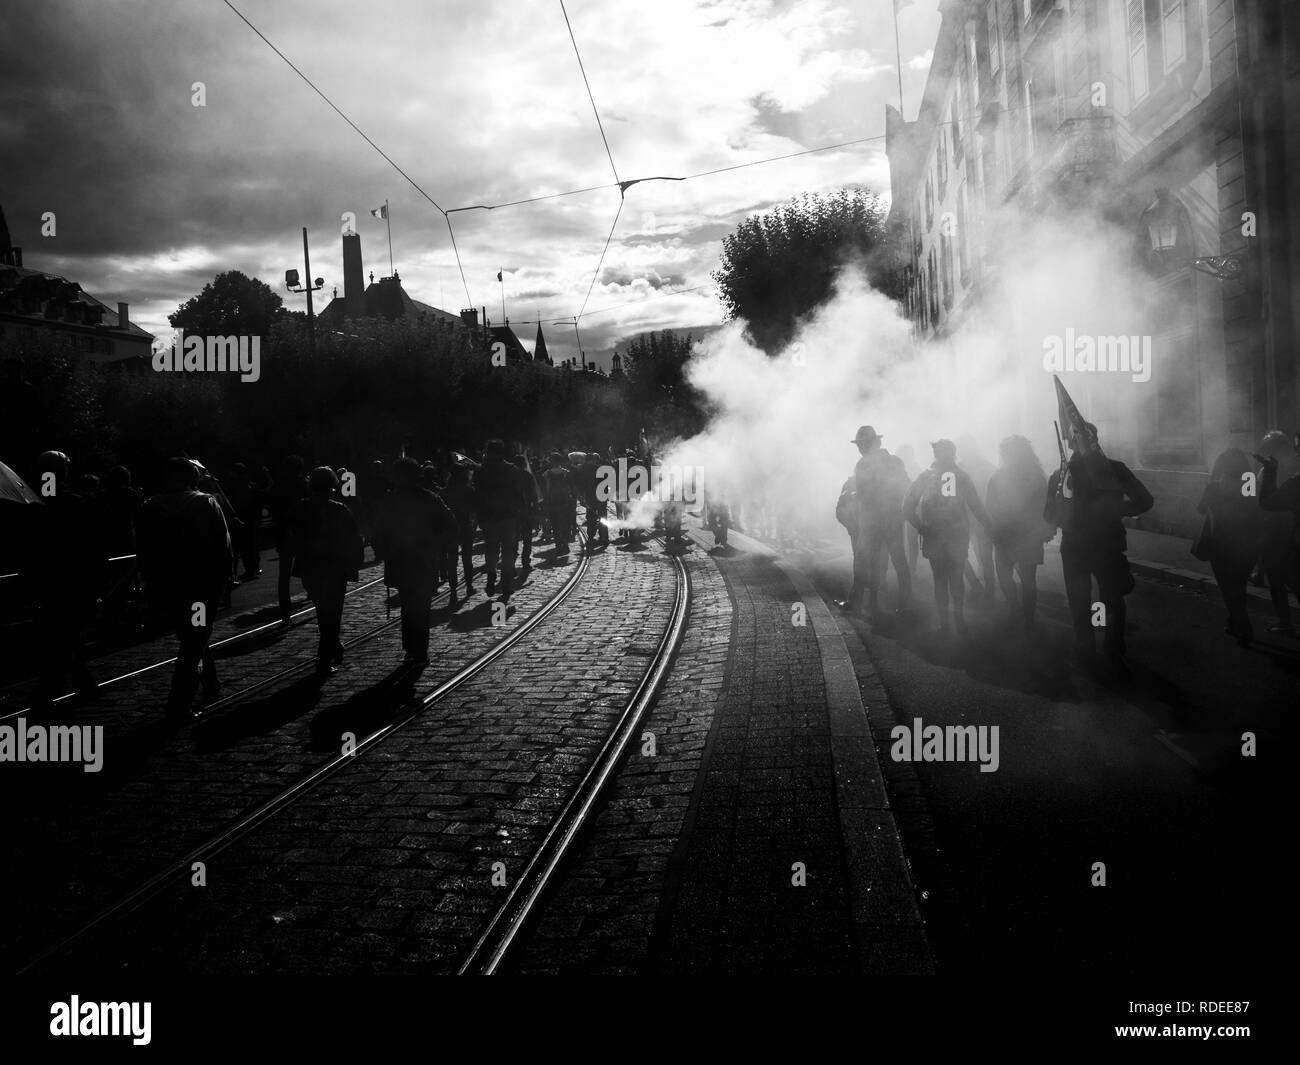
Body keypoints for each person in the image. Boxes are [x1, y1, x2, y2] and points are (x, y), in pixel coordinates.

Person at [1044, 420, 1153, 674]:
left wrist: (1066, 516)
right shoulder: (1114, 469)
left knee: (1081, 599)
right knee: (1109, 599)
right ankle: (1111, 646)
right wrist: (1119, 511)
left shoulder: (1060, 474)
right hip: (1107, 543)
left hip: (1076, 547)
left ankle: (1087, 647)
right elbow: (1145, 500)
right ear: (1095, 441)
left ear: (1071, 443)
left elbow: (1049, 515)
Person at [137, 456, 232, 719]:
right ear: (193, 477)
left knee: (192, 634)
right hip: (202, 586)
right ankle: (178, 703)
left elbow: (143, 550)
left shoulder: (149, 506)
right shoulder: (206, 502)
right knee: (194, 639)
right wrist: (226, 579)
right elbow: (223, 545)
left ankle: (211, 683)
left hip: (168, 586)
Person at [22, 450, 103, 710]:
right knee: (66, 635)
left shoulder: (34, 507)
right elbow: (92, 548)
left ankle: (78, 685)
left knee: (60, 634)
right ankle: (52, 692)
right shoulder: (76, 504)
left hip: (47, 582)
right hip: (72, 582)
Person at [903, 439, 990, 635]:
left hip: (935, 536)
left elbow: (906, 507)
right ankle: (958, 621)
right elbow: (976, 507)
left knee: (940, 580)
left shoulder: (926, 477)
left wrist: (921, 527)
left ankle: (945, 624)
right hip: (956, 536)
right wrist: (990, 526)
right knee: (955, 579)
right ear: (953, 454)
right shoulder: (960, 476)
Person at [373, 457, 450, 663]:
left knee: (410, 606)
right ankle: (418, 649)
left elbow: (377, 532)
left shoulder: (391, 500)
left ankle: (412, 648)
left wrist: (383, 550)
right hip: (420, 561)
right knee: (419, 606)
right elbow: (450, 525)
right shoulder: (429, 498)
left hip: (404, 561)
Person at [294, 467, 364, 676]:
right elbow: (354, 537)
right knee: (332, 614)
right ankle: (325, 658)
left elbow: (293, 534)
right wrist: (354, 563)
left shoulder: (302, 507)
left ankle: (332, 647)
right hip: (334, 568)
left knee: (323, 611)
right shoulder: (339, 509)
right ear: (333, 485)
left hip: (311, 567)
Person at [841, 425, 912, 617]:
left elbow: (862, 495)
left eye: (861, 444)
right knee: (898, 562)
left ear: (869, 444)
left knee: (863, 561)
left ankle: (856, 602)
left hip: (872, 521)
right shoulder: (895, 462)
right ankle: (905, 605)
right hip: (892, 519)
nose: (859, 448)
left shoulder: (863, 465)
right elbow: (907, 488)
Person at [1196, 448, 1263, 647]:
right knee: (1239, 586)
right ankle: (1234, 622)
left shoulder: (1215, 486)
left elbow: (1200, 509)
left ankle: (1243, 627)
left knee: (1228, 588)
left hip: (1221, 544)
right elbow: (1254, 508)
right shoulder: (1249, 482)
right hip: (1246, 543)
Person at [986, 435, 1053, 627]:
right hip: (1008, 534)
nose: (1004, 455)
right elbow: (990, 506)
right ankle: (1017, 610)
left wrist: (1044, 529)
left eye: (1006, 452)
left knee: (1025, 579)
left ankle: (1025, 615)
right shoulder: (1000, 476)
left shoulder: (1035, 477)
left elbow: (1045, 506)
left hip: (1025, 535)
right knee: (1010, 576)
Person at [1254, 430, 1300, 636]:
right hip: (1289, 528)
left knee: (1278, 576)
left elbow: (1259, 499)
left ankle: (1284, 620)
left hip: (1275, 525)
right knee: (1291, 575)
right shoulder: (1294, 467)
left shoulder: (1267, 470)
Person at [475, 441, 533, 602]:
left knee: (491, 548)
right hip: (508, 516)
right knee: (508, 550)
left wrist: (478, 517)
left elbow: (477, 495)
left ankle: (492, 571)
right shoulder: (512, 470)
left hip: (488, 517)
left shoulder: (480, 470)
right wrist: (522, 513)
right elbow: (519, 493)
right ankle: (506, 583)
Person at [268, 455, 308, 625]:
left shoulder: (278, 485)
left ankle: (285, 612)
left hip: (284, 532)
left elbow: (273, 508)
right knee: (309, 565)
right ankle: (314, 596)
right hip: (302, 532)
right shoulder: (304, 484)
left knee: (283, 576)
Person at [957, 435, 996, 602]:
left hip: (981, 515)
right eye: (962, 448)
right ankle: (976, 585)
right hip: (963, 517)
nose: (965, 451)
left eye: (967, 447)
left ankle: (989, 588)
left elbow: (995, 490)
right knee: (960, 554)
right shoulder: (957, 468)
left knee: (985, 555)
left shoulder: (986, 466)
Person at [440, 463, 478, 600]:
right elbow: (474, 510)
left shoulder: (444, 492)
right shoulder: (469, 490)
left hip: (450, 529)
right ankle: (469, 586)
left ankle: (453, 590)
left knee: (452, 561)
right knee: (467, 559)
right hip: (466, 527)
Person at [540, 451, 576, 555]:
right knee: (565, 524)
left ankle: (558, 545)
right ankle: (565, 542)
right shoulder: (566, 473)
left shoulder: (546, 474)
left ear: (551, 461)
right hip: (565, 503)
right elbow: (572, 488)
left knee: (555, 526)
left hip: (552, 504)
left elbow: (543, 491)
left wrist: (544, 504)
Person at [510, 452, 540, 572]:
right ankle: (525, 562)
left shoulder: (509, 476)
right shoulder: (528, 476)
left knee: (513, 539)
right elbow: (533, 495)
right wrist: (536, 510)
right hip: (526, 511)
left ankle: (511, 562)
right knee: (527, 538)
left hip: (512, 512)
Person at [575, 452, 609, 550]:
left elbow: (580, 485)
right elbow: (605, 484)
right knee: (603, 517)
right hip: (601, 497)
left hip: (590, 497)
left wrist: (581, 497)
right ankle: (604, 537)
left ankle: (590, 537)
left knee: (591, 518)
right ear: (593, 460)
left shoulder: (582, 470)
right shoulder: (599, 469)